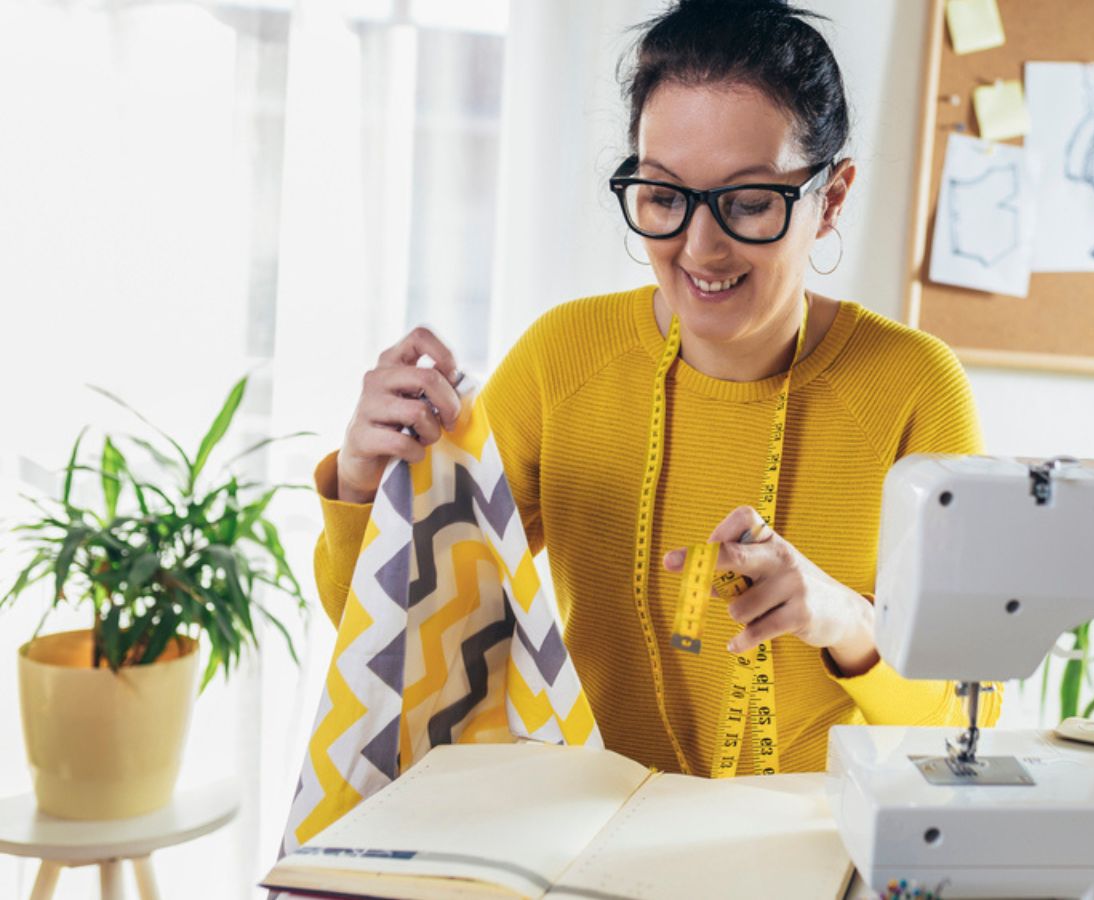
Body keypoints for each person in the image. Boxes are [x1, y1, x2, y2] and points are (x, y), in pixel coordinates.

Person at [311, 0, 1000, 777]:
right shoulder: (562, 360)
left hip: (812, 853)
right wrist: (366, 489)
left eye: (747, 204)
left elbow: (968, 718)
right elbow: (398, 647)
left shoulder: (914, 389)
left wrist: (844, 620)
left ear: (830, 200)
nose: (700, 248)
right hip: (587, 834)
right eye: (665, 197)